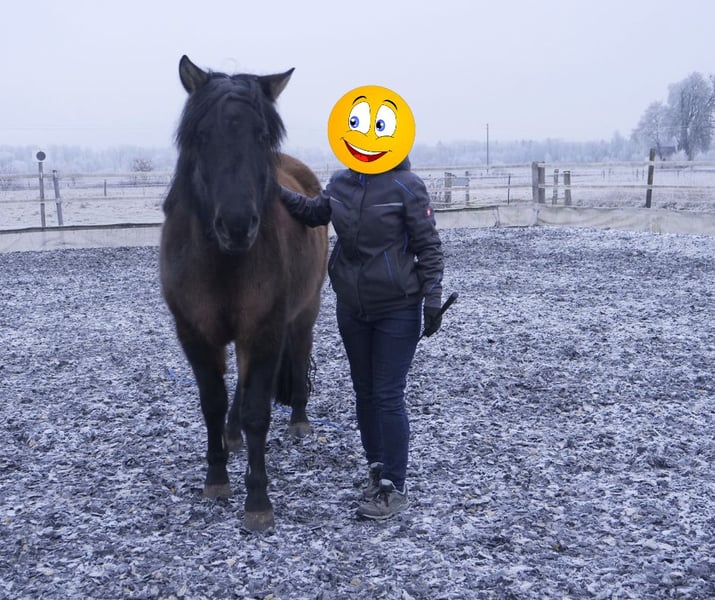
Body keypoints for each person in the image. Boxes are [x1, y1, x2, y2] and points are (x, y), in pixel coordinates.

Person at [279, 155, 444, 520]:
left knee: (388, 394)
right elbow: (313, 212)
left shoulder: (407, 186)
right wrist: (275, 191)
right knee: (365, 391)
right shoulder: (341, 182)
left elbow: (429, 246)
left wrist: (432, 299)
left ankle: (394, 486)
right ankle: (377, 467)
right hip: (352, 308)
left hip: (397, 307)